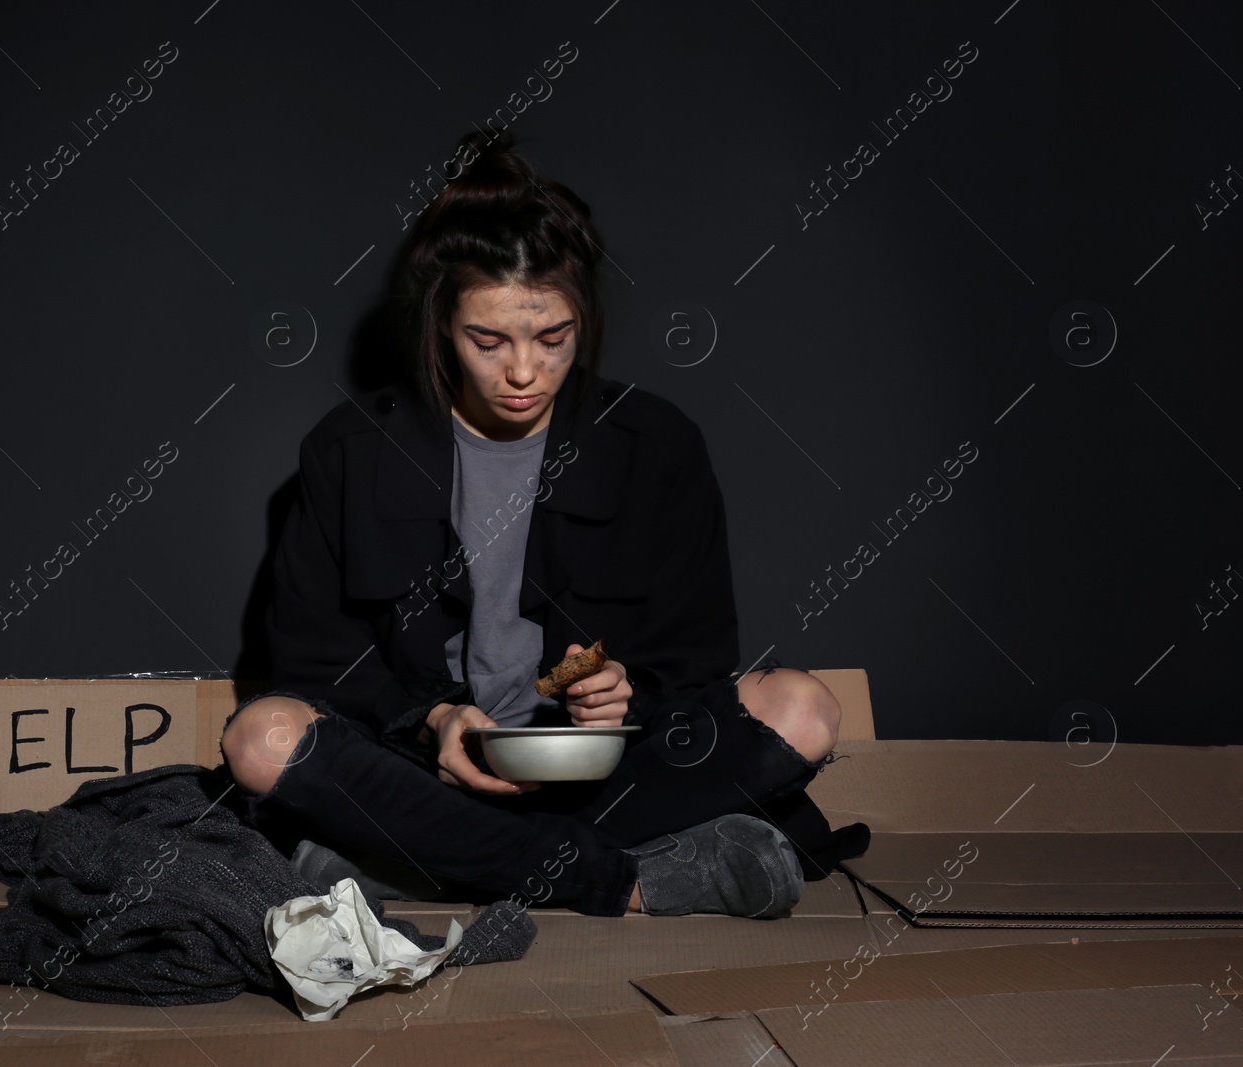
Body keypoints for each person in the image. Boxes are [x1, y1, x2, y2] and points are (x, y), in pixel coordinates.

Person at [220, 131, 869, 918]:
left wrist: (624, 693)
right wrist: (433, 717)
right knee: (259, 739)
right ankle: (626, 880)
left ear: (584, 323)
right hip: (423, 773)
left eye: (552, 339)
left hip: (612, 778)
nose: (523, 371)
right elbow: (312, 663)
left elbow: (696, 656)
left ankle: (431, 862)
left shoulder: (658, 446)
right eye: (487, 340)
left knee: (803, 708)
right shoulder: (348, 449)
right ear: (440, 324)